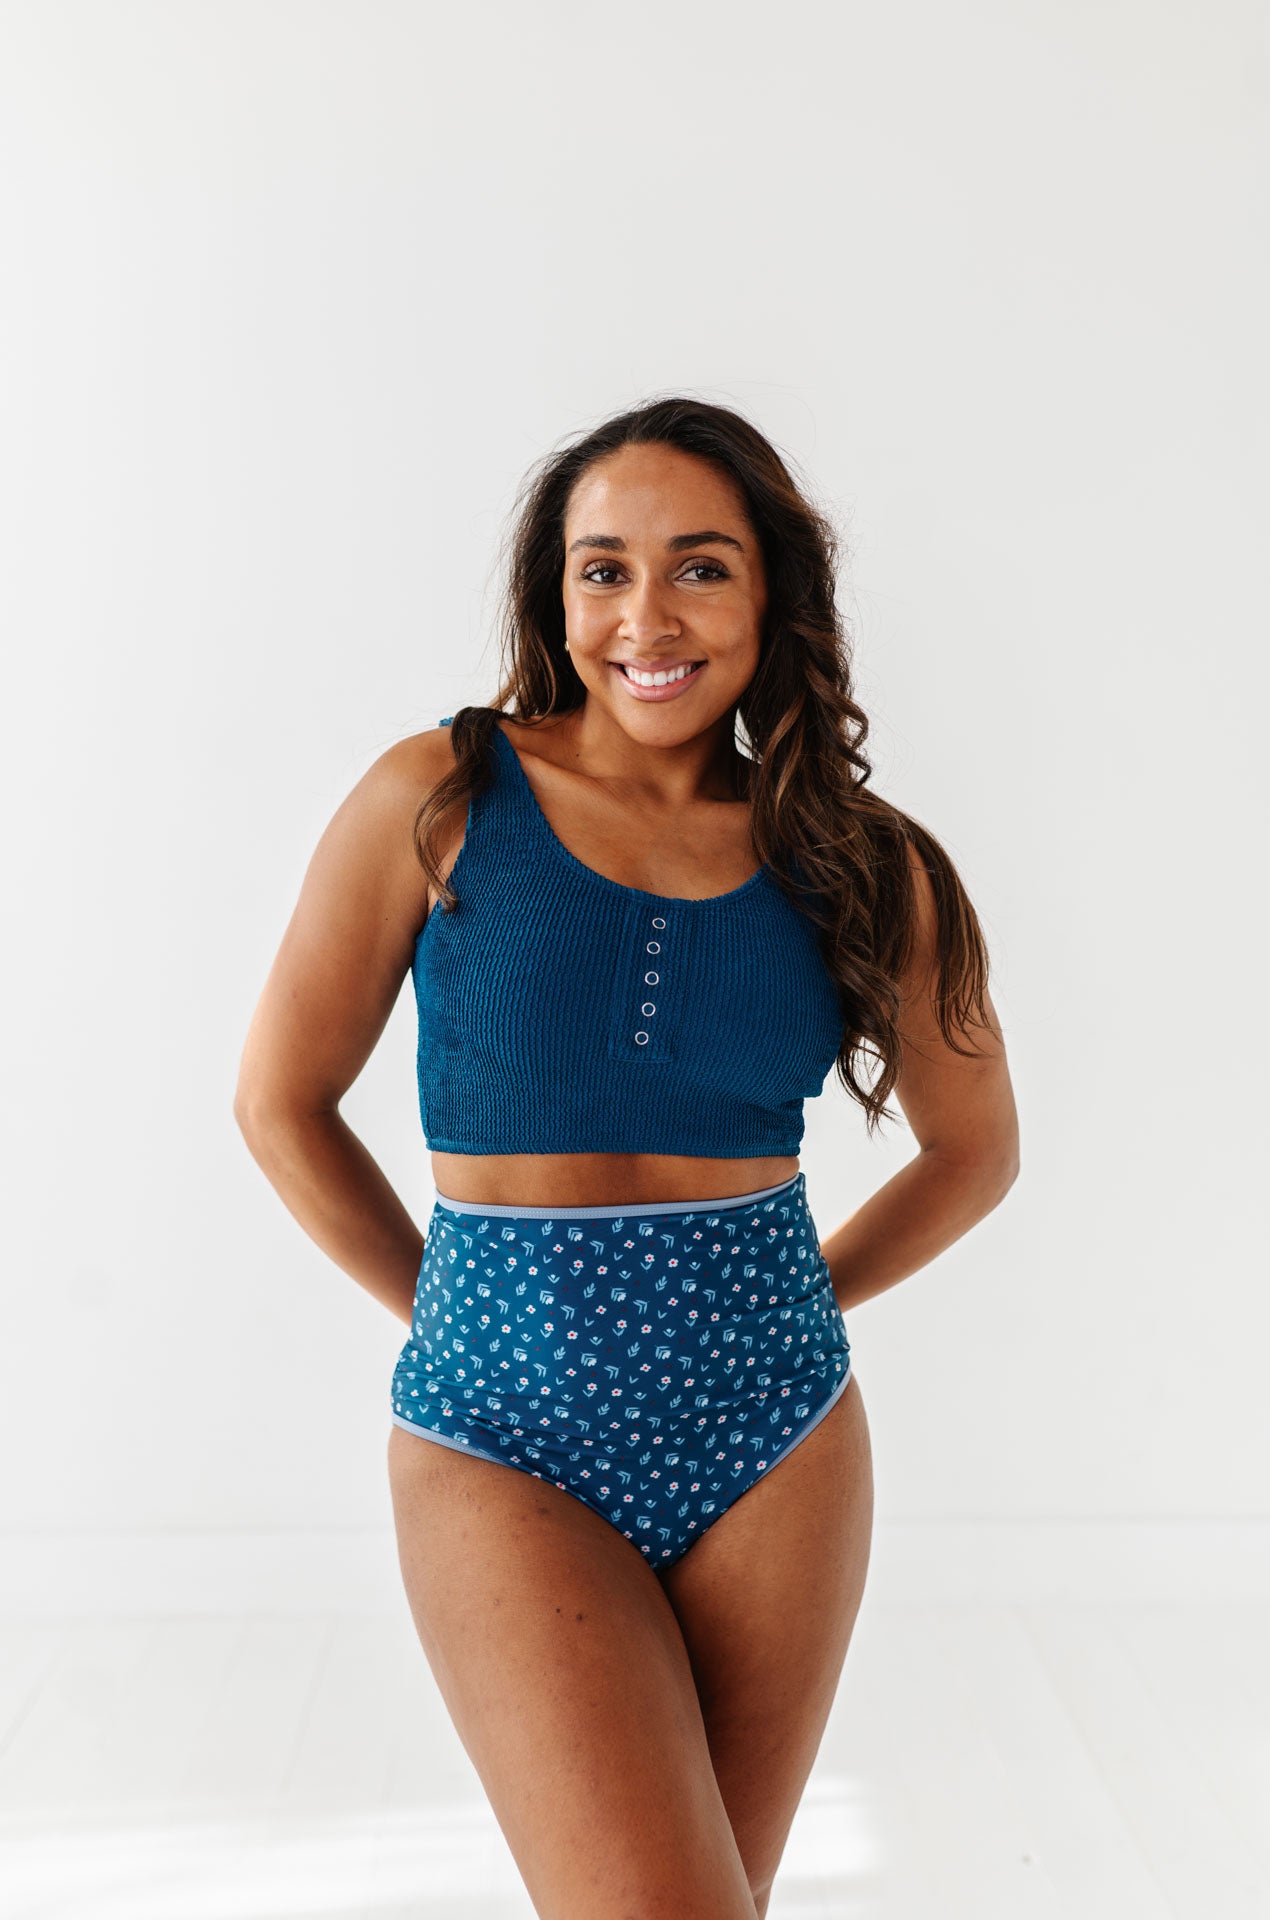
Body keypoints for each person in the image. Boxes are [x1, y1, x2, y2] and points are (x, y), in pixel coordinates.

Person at [234, 396, 1019, 1920]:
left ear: (773, 594)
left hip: (773, 1440)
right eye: (603, 570)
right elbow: (282, 1101)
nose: (645, 618)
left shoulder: (860, 858)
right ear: (555, 597)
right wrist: (452, 1314)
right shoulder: (436, 797)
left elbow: (972, 1151)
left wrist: (799, 1298)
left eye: (699, 568)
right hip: (496, 1434)